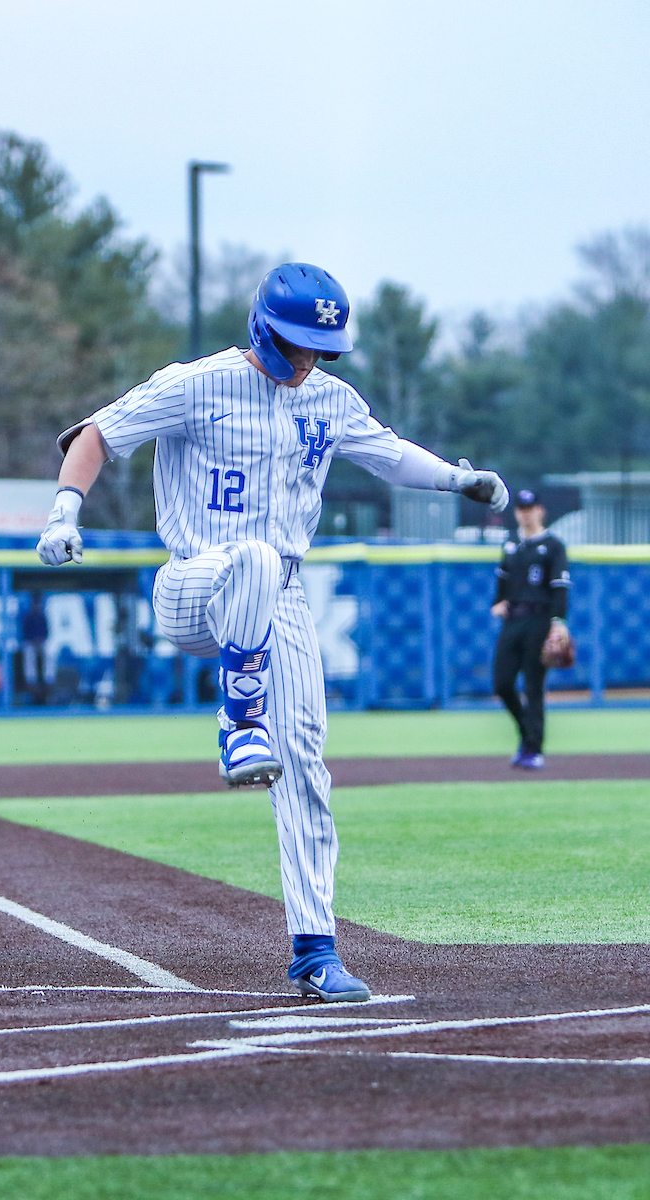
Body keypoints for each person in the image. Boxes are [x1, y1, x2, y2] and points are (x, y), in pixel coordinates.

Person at [36, 262, 508, 1003]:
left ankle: (316, 952)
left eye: (322, 346)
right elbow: (98, 433)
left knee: (306, 764)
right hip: (194, 584)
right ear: (264, 328)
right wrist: (66, 509)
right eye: (298, 344)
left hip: (277, 597)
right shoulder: (197, 383)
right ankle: (239, 718)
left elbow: (385, 451)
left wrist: (458, 480)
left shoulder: (329, 397)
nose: (310, 359)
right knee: (251, 557)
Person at [491, 489, 571, 770]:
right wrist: (497, 602)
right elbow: (502, 581)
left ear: (540, 510)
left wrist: (558, 623)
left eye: (530, 508)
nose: (526, 513)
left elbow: (559, 588)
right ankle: (528, 735)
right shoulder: (511, 543)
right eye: (521, 509)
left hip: (539, 619)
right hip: (513, 619)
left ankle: (533, 749)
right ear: (516, 513)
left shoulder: (553, 546)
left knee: (533, 686)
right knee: (502, 683)